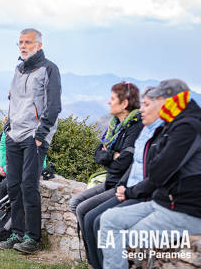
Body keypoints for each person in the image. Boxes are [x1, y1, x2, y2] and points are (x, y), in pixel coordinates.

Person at [99, 79, 201, 269]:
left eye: (155, 101)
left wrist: (156, 163)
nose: (149, 107)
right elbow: (156, 166)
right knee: (108, 219)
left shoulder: (188, 127)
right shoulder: (174, 125)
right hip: (162, 203)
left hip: (184, 211)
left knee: (123, 238)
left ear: (171, 100)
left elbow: (157, 172)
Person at [81, 87, 165, 268]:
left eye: (147, 105)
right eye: (142, 104)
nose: (142, 109)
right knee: (84, 211)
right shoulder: (136, 131)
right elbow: (102, 153)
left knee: (96, 220)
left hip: (137, 193)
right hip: (120, 185)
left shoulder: (146, 131)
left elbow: (128, 164)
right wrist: (112, 158)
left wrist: (126, 189)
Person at [0, 28, 61, 254]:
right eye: (20, 42)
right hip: (14, 135)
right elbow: (14, 101)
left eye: (28, 42)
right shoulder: (19, 69)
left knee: (28, 186)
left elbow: (53, 106)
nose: (23, 46)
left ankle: (32, 238)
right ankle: (17, 233)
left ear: (39, 45)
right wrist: (9, 124)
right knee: (13, 186)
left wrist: (41, 135)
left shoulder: (49, 69)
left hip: (34, 137)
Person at [68, 82, 142, 255]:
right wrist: (112, 155)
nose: (108, 102)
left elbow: (122, 163)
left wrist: (110, 156)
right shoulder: (114, 126)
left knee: (86, 212)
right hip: (111, 180)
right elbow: (98, 154)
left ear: (124, 103)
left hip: (121, 184)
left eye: (112, 98)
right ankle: (92, 256)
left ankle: (100, 258)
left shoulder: (135, 127)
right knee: (75, 203)